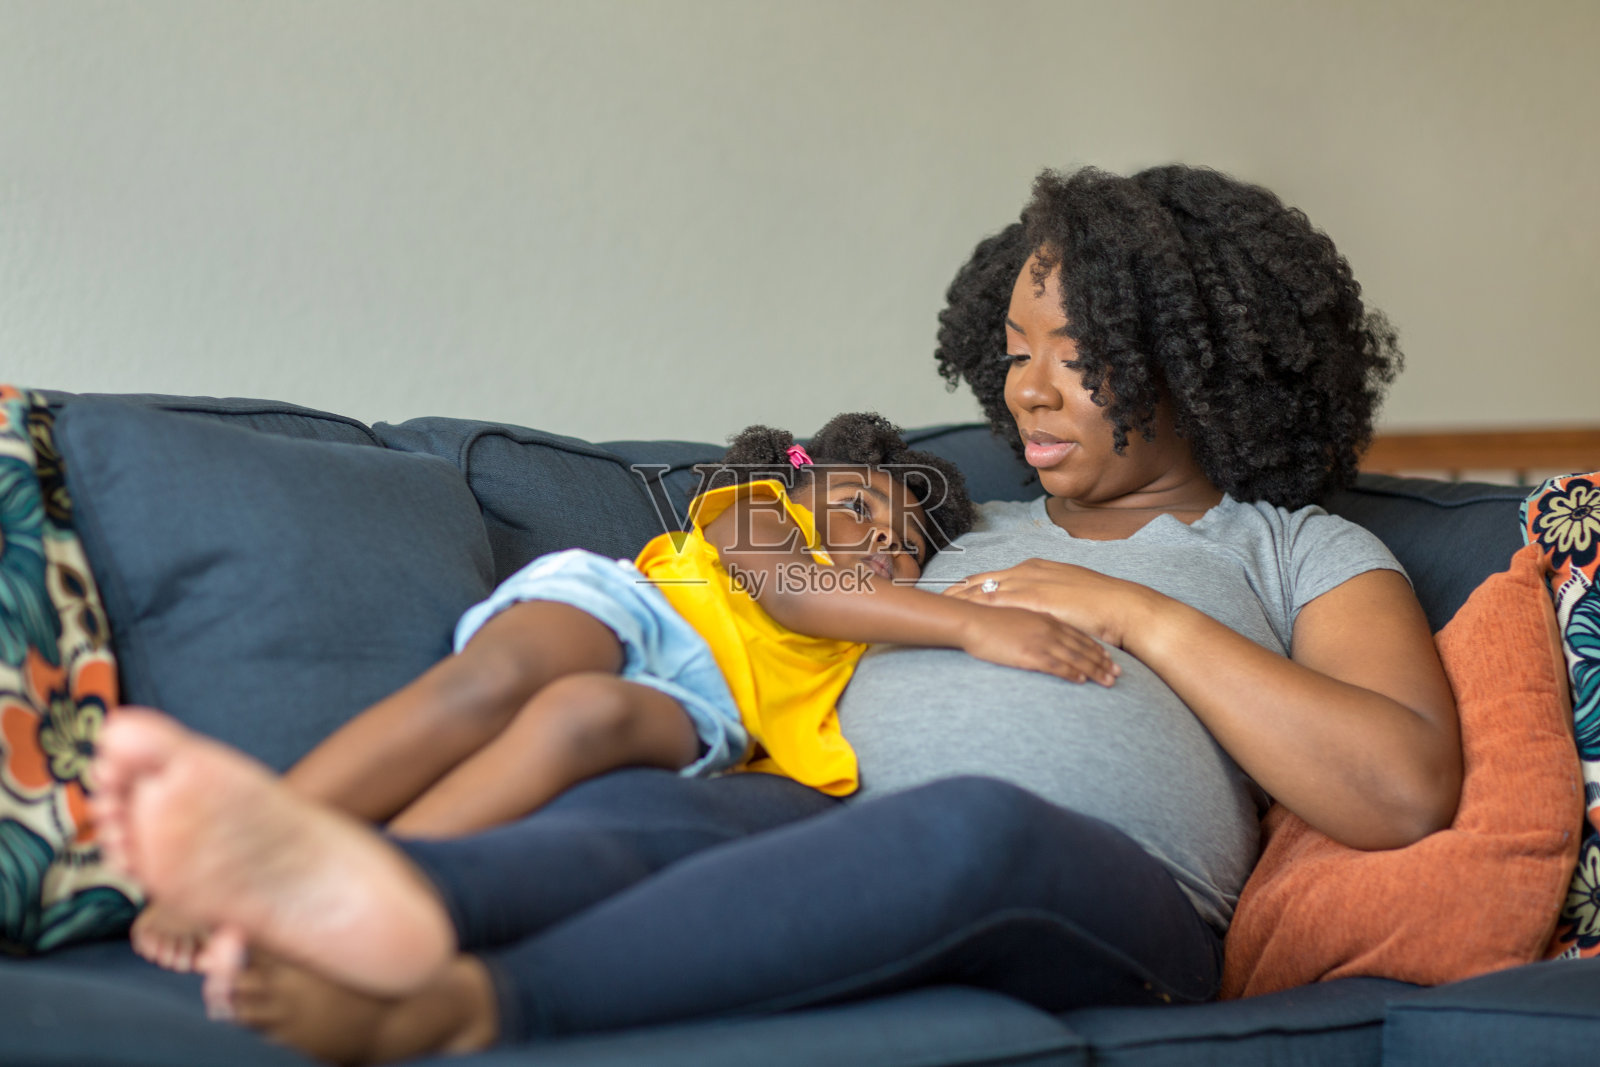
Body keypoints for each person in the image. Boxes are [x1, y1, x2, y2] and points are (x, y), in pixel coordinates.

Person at [91, 164, 1461, 1066]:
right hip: (822, 805)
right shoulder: (945, 517)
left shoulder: (1291, 548)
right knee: (655, 810)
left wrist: (1139, 616)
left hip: (1118, 896)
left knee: (971, 822)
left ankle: (476, 1007)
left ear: (1209, 362)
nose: (1030, 391)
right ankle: (338, 905)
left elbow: (1398, 786)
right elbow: (768, 569)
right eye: (1018, 352)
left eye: (1082, 357)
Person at [130, 411, 1118, 972]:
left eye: (903, 541)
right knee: (506, 677)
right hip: (636, 610)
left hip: (706, 709)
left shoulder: (875, 638)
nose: (876, 537)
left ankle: (356, 891)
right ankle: (261, 834)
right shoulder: (755, 515)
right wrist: (971, 621)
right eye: (857, 503)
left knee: (583, 716)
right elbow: (795, 591)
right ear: (796, 485)